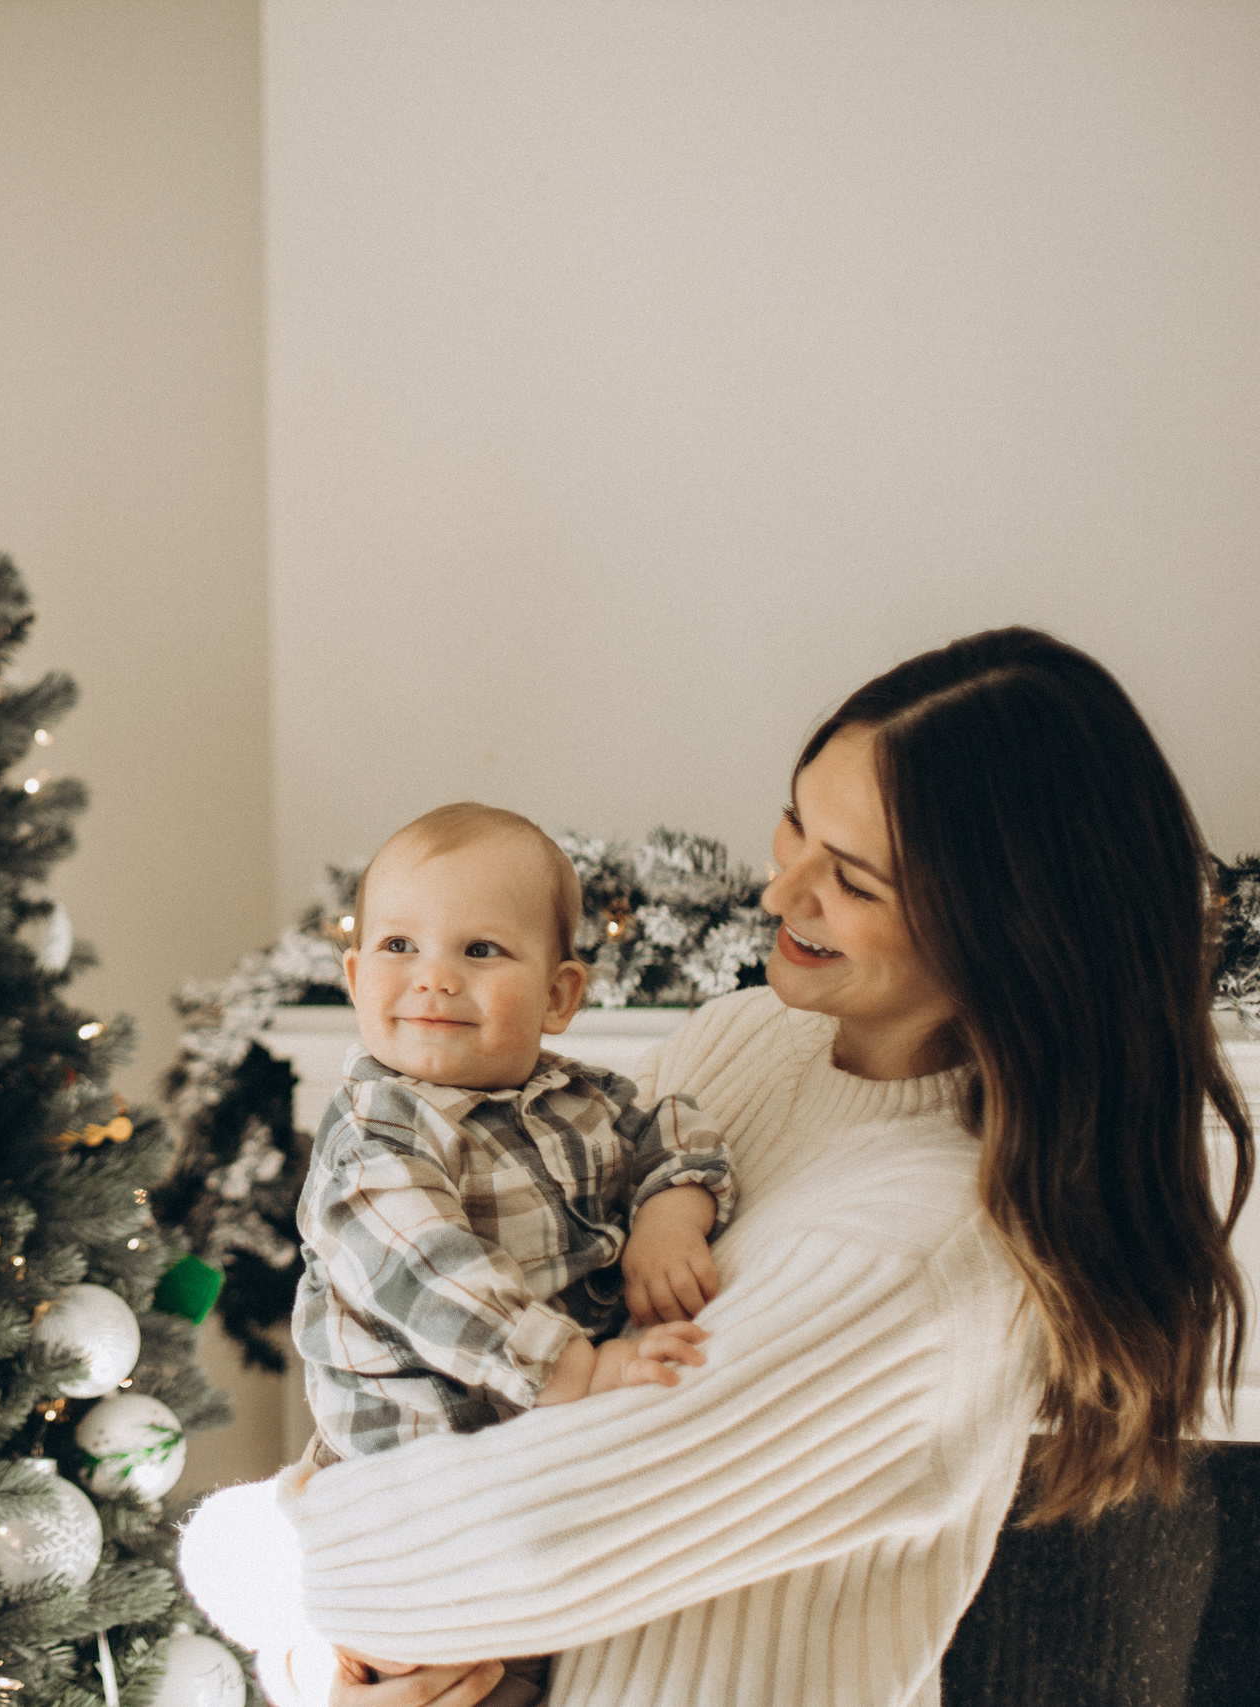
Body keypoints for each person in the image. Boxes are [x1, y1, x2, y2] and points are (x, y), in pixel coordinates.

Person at [185, 628, 1251, 1707]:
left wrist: (241, 1553)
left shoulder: (919, 1251)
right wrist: (320, 1663)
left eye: (852, 882)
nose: (779, 894)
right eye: (794, 825)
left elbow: (521, 1543)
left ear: (1003, 930)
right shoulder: (743, 1037)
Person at [294, 804, 738, 1705]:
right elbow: (430, 1276)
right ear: (352, 975)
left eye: (481, 951)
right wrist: (585, 1366)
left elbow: (678, 1128)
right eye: (398, 946)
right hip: (417, 1517)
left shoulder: (590, 1099)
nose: (434, 980)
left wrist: (669, 1219)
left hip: (532, 1491)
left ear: (561, 995)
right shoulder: (373, 1137)